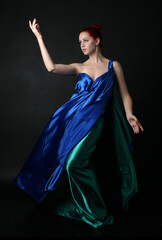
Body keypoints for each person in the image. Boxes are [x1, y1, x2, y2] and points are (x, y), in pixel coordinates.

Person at [14, 19, 144, 228]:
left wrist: (129, 114)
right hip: (71, 121)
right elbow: (51, 68)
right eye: (79, 42)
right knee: (65, 162)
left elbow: (125, 94)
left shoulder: (113, 66)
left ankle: (95, 209)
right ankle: (88, 205)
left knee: (74, 163)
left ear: (97, 41)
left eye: (85, 40)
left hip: (95, 123)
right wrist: (39, 37)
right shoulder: (79, 66)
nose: (82, 44)